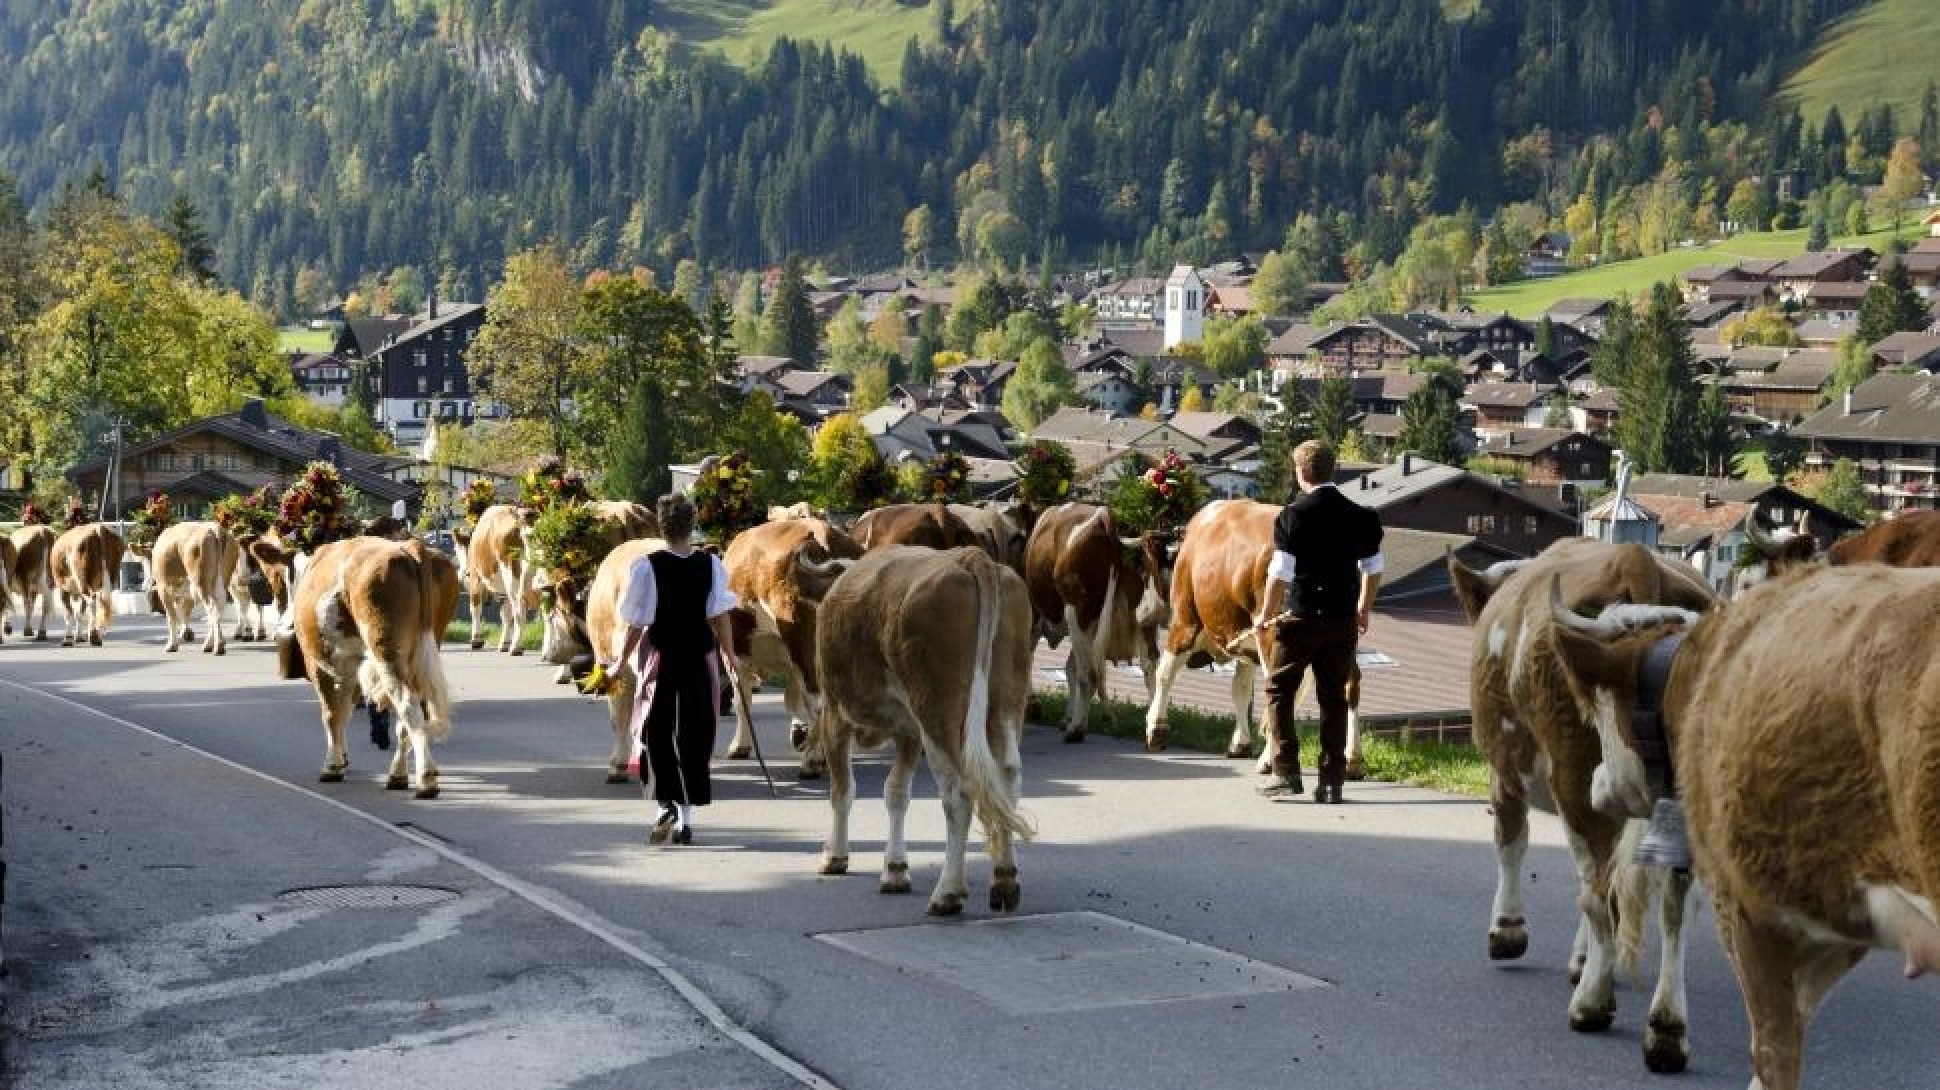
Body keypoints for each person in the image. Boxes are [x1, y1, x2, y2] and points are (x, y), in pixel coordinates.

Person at [600, 492, 740, 845]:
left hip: (662, 656)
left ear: (662, 527)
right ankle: (686, 817)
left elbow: (636, 622)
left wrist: (619, 663)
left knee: (654, 729)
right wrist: (730, 655)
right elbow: (720, 615)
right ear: (691, 525)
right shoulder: (711, 565)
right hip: (700, 655)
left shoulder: (646, 567)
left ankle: (665, 804)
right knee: (695, 732)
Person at [1253, 439, 1383, 804]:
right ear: (1332, 471)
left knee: (1279, 691)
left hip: (1301, 619)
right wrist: (1363, 607)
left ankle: (1286, 771)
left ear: (1301, 473)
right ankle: (1331, 781)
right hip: (1342, 621)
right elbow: (1374, 568)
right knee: (1333, 698)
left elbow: (1280, 574)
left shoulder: (1293, 515)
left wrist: (1265, 615)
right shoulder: (1362, 516)